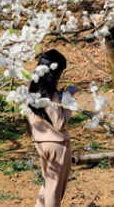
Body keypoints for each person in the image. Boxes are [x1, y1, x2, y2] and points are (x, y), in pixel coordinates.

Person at [28, 49, 73, 207]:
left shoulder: (31, 90)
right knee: (54, 191)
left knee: (48, 186)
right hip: (57, 146)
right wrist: (67, 105)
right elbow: (60, 123)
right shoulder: (50, 94)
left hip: (40, 142)